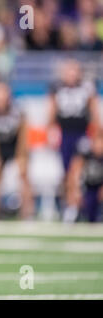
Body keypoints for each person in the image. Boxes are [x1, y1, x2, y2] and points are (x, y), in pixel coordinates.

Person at [47, 59, 100, 221]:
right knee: (66, 172)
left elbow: (94, 113)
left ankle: (76, 208)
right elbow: (52, 111)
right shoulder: (57, 88)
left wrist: (96, 137)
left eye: (74, 70)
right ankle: (69, 206)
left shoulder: (87, 88)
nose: (71, 74)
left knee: (77, 172)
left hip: (81, 134)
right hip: (66, 134)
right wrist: (51, 131)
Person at [0, 82, 34, 219]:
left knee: (23, 174)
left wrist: (21, 158)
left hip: (15, 146)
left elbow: (23, 138)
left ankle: (27, 214)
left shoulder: (18, 112)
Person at [67, 131, 103, 223]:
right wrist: (76, 190)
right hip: (87, 189)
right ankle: (74, 215)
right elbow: (74, 171)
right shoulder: (86, 154)